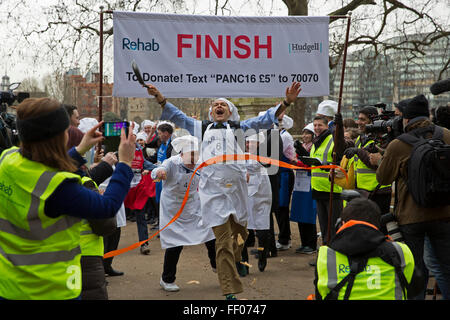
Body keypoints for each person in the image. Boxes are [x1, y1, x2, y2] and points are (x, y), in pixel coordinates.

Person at [144, 81, 301, 300]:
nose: (218, 106)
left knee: (241, 236)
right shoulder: (202, 128)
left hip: (237, 193)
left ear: (229, 111)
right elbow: (179, 117)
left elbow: (264, 120)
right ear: (211, 111)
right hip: (213, 195)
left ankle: (236, 257)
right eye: (215, 104)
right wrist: (160, 97)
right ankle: (230, 291)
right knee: (223, 243)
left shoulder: (240, 128)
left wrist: (286, 103)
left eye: (223, 104)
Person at [0, 97, 135, 300]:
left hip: (10, 286)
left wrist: (79, 150)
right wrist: (124, 163)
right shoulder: (59, 186)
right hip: (51, 289)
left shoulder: (7, 159)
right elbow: (106, 207)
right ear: (58, 137)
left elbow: (40, 166)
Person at [373, 94, 450, 299]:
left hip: (410, 217)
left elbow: (384, 177)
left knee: (414, 269)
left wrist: (382, 158)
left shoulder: (399, 144)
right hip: (444, 212)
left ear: (406, 120)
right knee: (446, 266)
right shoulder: (446, 135)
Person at [314, 198, 418, 300]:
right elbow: (415, 288)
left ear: (342, 224)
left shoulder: (326, 256)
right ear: (377, 224)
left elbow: (321, 295)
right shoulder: (400, 251)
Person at [151, 135, 216, 292]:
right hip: (173, 208)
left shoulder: (200, 164)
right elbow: (159, 170)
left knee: (209, 233)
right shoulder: (172, 162)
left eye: (196, 154)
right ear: (181, 154)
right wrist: (159, 173)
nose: (194, 159)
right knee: (175, 244)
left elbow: (215, 174)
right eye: (190, 155)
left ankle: (216, 264)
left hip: (193, 205)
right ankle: (167, 279)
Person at [343, 106, 392, 215]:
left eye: (363, 119)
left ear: (372, 121)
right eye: (358, 119)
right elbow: (342, 147)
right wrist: (336, 130)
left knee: (378, 227)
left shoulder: (382, 138)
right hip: (363, 191)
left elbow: (374, 163)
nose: (358, 122)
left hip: (379, 192)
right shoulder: (361, 138)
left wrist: (358, 151)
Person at [310, 115, 343, 245]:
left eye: (320, 125)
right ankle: (325, 254)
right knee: (324, 227)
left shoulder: (332, 140)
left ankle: (335, 254)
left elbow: (340, 161)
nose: (317, 128)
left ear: (326, 125)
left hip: (332, 190)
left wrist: (327, 166)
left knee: (334, 227)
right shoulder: (315, 142)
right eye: (315, 125)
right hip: (318, 189)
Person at [124, 131, 158, 255]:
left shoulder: (139, 150)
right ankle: (107, 248)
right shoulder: (120, 150)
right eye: (131, 135)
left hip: (138, 187)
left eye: (134, 135)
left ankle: (144, 244)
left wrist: (160, 168)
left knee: (140, 215)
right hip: (123, 188)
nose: (134, 137)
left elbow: (145, 164)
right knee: (115, 216)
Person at [242, 132, 272, 272]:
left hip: (262, 192)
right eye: (247, 143)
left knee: (262, 227)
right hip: (245, 191)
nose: (249, 145)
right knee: (243, 226)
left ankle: (262, 255)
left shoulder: (264, 155)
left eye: (252, 143)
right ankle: (244, 263)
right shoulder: (241, 155)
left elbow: (264, 164)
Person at [290, 123, 317, 254]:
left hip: (310, 183)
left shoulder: (314, 148)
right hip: (300, 183)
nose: (305, 136)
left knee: (308, 213)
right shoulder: (301, 147)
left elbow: (313, 164)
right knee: (300, 212)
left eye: (308, 133)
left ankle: (311, 244)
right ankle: (303, 242)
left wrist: (299, 162)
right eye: (304, 133)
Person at [275, 112, 296, 251]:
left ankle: (284, 239)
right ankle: (283, 236)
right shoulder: (278, 135)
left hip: (284, 174)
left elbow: (275, 152)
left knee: (282, 207)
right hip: (278, 174)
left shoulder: (285, 136)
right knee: (278, 207)